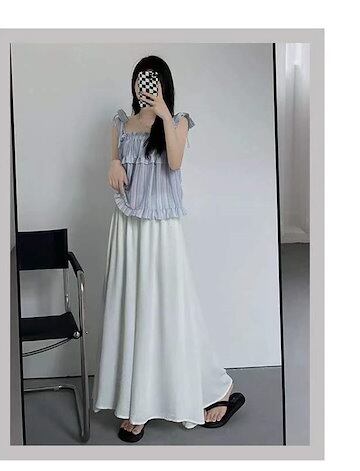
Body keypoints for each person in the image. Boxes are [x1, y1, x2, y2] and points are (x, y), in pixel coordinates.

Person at [92, 55, 245, 443]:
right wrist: (113, 163)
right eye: (141, 79)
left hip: (162, 230)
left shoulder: (177, 123)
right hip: (127, 225)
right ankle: (137, 402)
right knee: (131, 308)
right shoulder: (120, 123)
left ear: (164, 84)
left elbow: (174, 163)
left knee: (167, 308)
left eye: (153, 80)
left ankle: (216, 387)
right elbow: (114, 163)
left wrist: (162, 112)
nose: (146, 86)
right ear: (135, 83)